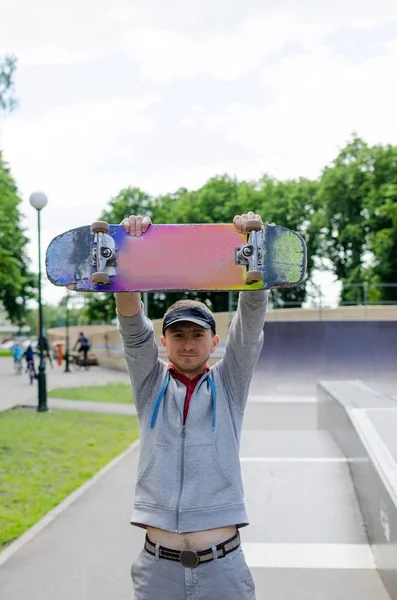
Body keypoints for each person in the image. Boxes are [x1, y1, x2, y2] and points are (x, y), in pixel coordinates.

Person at [116, 212, 267, 600]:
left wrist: (254, 246)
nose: (187, 343)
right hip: (157, 569)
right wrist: (127, 253)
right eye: (177, 334)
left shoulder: (228, 384)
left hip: (222, 568)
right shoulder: (151, 385)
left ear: (213, 342)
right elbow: (133, 330)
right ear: (164, 343)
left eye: (197, 334)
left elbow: (249, 325)